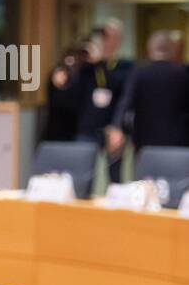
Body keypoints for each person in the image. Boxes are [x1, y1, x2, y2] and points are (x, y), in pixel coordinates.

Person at [108, 31, 189, 157]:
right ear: (172, 49)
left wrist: (116, 127)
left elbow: (126, 101)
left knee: (146, 176)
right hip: (177, 141)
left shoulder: (139, 73)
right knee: (175, 176)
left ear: (150, 49)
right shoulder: (183, 74)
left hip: (144, 140)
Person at [74, 19, 133, 184]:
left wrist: (117, 126)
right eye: (103, 36)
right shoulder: (87, 67)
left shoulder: (125, 66)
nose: (106, 40)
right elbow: (75, 86)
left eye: (110, 36)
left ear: (118, 39)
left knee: (115, 176)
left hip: (112, 127)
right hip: (88, 127)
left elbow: (122, 91)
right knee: (82, 173)